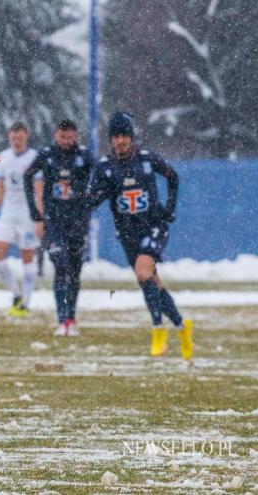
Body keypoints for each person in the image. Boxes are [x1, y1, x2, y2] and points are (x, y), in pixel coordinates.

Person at [87, 112, 193, 359]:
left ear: (132, 137)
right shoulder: (104, 167)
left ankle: (158, 330)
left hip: (154, 226)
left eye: (125, 135)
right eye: (116, 136)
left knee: (143, 271)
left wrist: (169, 209)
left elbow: (172, 177)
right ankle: (181, 326)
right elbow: (92, 198)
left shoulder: (147, 159)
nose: (121, 141)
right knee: (151, 281)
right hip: (127, 233)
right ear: (111, 139)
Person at [24, 119, 93, 337]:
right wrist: (36, 215)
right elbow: (27, 176)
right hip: (53, 222)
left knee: (74, 270)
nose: (66, 141)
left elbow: (100, 177)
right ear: (55, 135)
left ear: (76, 136)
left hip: (78, 222)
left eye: (70, 136)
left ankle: (71, 318)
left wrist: (89, 202)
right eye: (62, 137)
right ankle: (61, 319)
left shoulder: (84, 156)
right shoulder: (47, 154)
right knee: (60, 264)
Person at [0, 122, 43, 317]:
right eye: (13, 137)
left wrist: (39, 218)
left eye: (20, 137)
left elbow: (39, 191)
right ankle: (17, 293)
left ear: (26, 136)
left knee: (27, 257)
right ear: (9, 137)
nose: (16, 141)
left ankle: (25, 304)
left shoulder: (34, 158)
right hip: (8, 215)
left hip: (27, 216)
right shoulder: (4, 157)